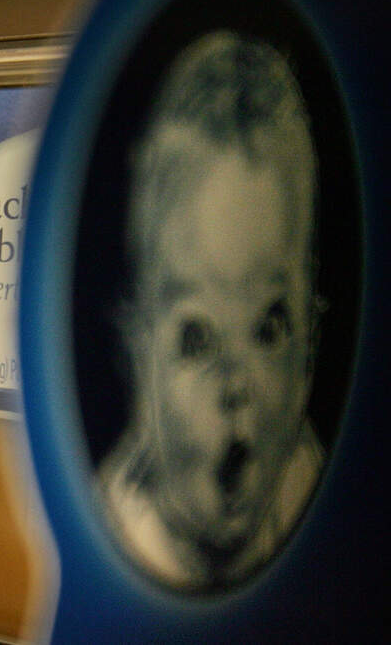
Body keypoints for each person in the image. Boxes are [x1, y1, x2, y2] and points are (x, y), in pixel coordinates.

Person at [99, 30, 324, 590]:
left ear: (310, 350)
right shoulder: (109, 534)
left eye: (268, 327)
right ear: (139, 356)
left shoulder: (326, 510)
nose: (235, 385)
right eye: (197, 338)